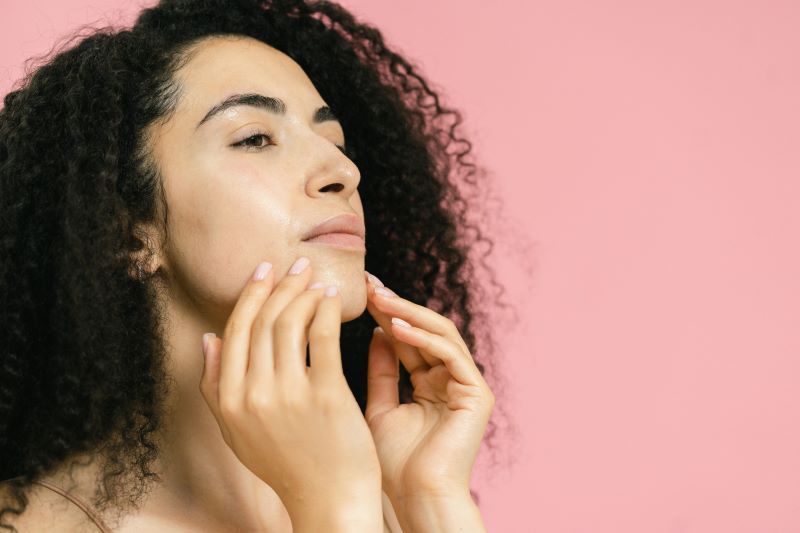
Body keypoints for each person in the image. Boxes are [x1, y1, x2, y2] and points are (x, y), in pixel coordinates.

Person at [0, 0, 511, 531]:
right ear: (125, 229)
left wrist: (431, 498)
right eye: (255, 138)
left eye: (334, 142)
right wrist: (332, 508)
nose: (341, 171)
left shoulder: (389, 504)